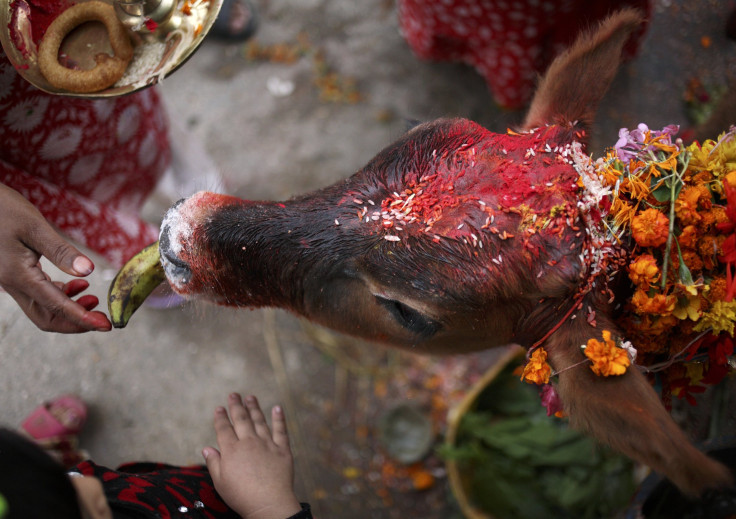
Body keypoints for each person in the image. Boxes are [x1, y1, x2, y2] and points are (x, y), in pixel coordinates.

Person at [0, 392, 312, 519]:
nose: (89, 482)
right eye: (83, 507)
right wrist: (269, 505)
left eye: (68, 477)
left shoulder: (89, 484)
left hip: (147, 488)